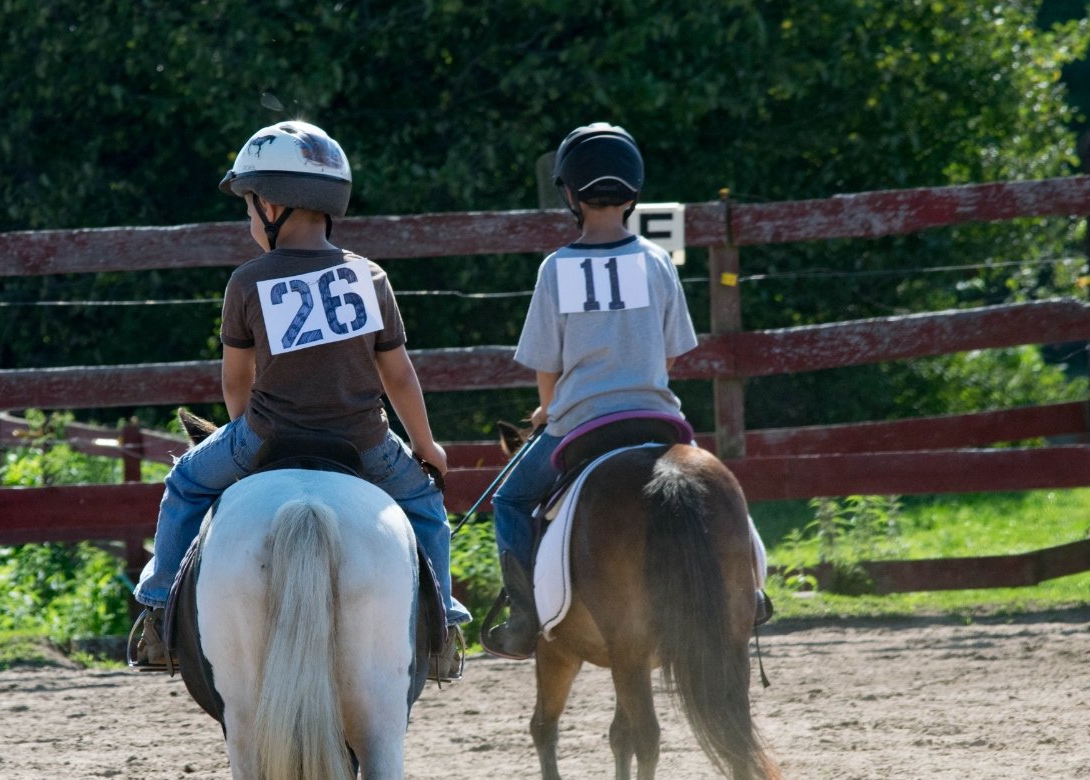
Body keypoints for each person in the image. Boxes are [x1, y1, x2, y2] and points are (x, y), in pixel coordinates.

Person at [131, 119, 471, 670]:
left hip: (267, 435)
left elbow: (236, 378)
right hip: (364, 441)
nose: (248, 220)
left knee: (185, 482)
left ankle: (158, 606)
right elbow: (400, 375)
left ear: (270, 204)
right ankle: (445, 630)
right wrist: (427, 444)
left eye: (247, 208)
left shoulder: (247, 281)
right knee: (427, 509)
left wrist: (239, 432)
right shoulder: (371, 278)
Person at [483, 123, 771, 660]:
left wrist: (548, 408)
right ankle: (750, 589)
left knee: (510, 497)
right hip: (654, 417)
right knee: (718, 488)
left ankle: (523, 616)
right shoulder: (656, 260)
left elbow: (547, 367)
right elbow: (669, 354)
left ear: (570, 193)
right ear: (634, 191)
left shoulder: (557, 268)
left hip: (579, 424)